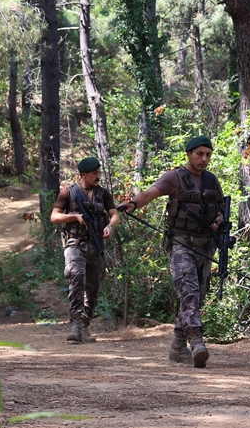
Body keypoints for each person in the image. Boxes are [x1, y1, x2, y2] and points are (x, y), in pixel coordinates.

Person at [118, 136, 224, 368]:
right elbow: (149, 194)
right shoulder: (174, 178)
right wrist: (132, 204)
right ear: (189, 154)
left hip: (205, 246)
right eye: (199, 153)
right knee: (189, 293)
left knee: (197, 297)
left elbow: (221, 209)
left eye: (208, 154)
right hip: (181, 245)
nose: (204, 158)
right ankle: (196, 341)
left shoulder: (212, 181)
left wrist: (219, 220)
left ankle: (177, 346)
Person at [50, 157, 120, 343]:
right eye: (94, 173)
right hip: (76, 244)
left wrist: (109, 227)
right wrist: (74, 216)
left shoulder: (103, 194)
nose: (98, 176)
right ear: (84, 175)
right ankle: (74, 323)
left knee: (94, 287)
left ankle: (84, 325)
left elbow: (114, 215)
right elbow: (55, 216)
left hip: (96, 245)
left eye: (99, 172)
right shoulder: (68, 193)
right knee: (76, 277)